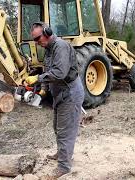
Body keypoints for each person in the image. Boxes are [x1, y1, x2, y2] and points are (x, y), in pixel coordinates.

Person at [25, 22, 84, 178]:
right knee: (57, 127)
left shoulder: (60, 46)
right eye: (34, 40)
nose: (37, 43)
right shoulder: (48, 49)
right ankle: (62, 153)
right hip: (59, 93)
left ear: (47, 32)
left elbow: (59, 73)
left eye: (38, 38)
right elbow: (48, 70)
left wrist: (36, 78)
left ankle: (64, 166)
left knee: (66, 130)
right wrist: (42, 89)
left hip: (70, 93)